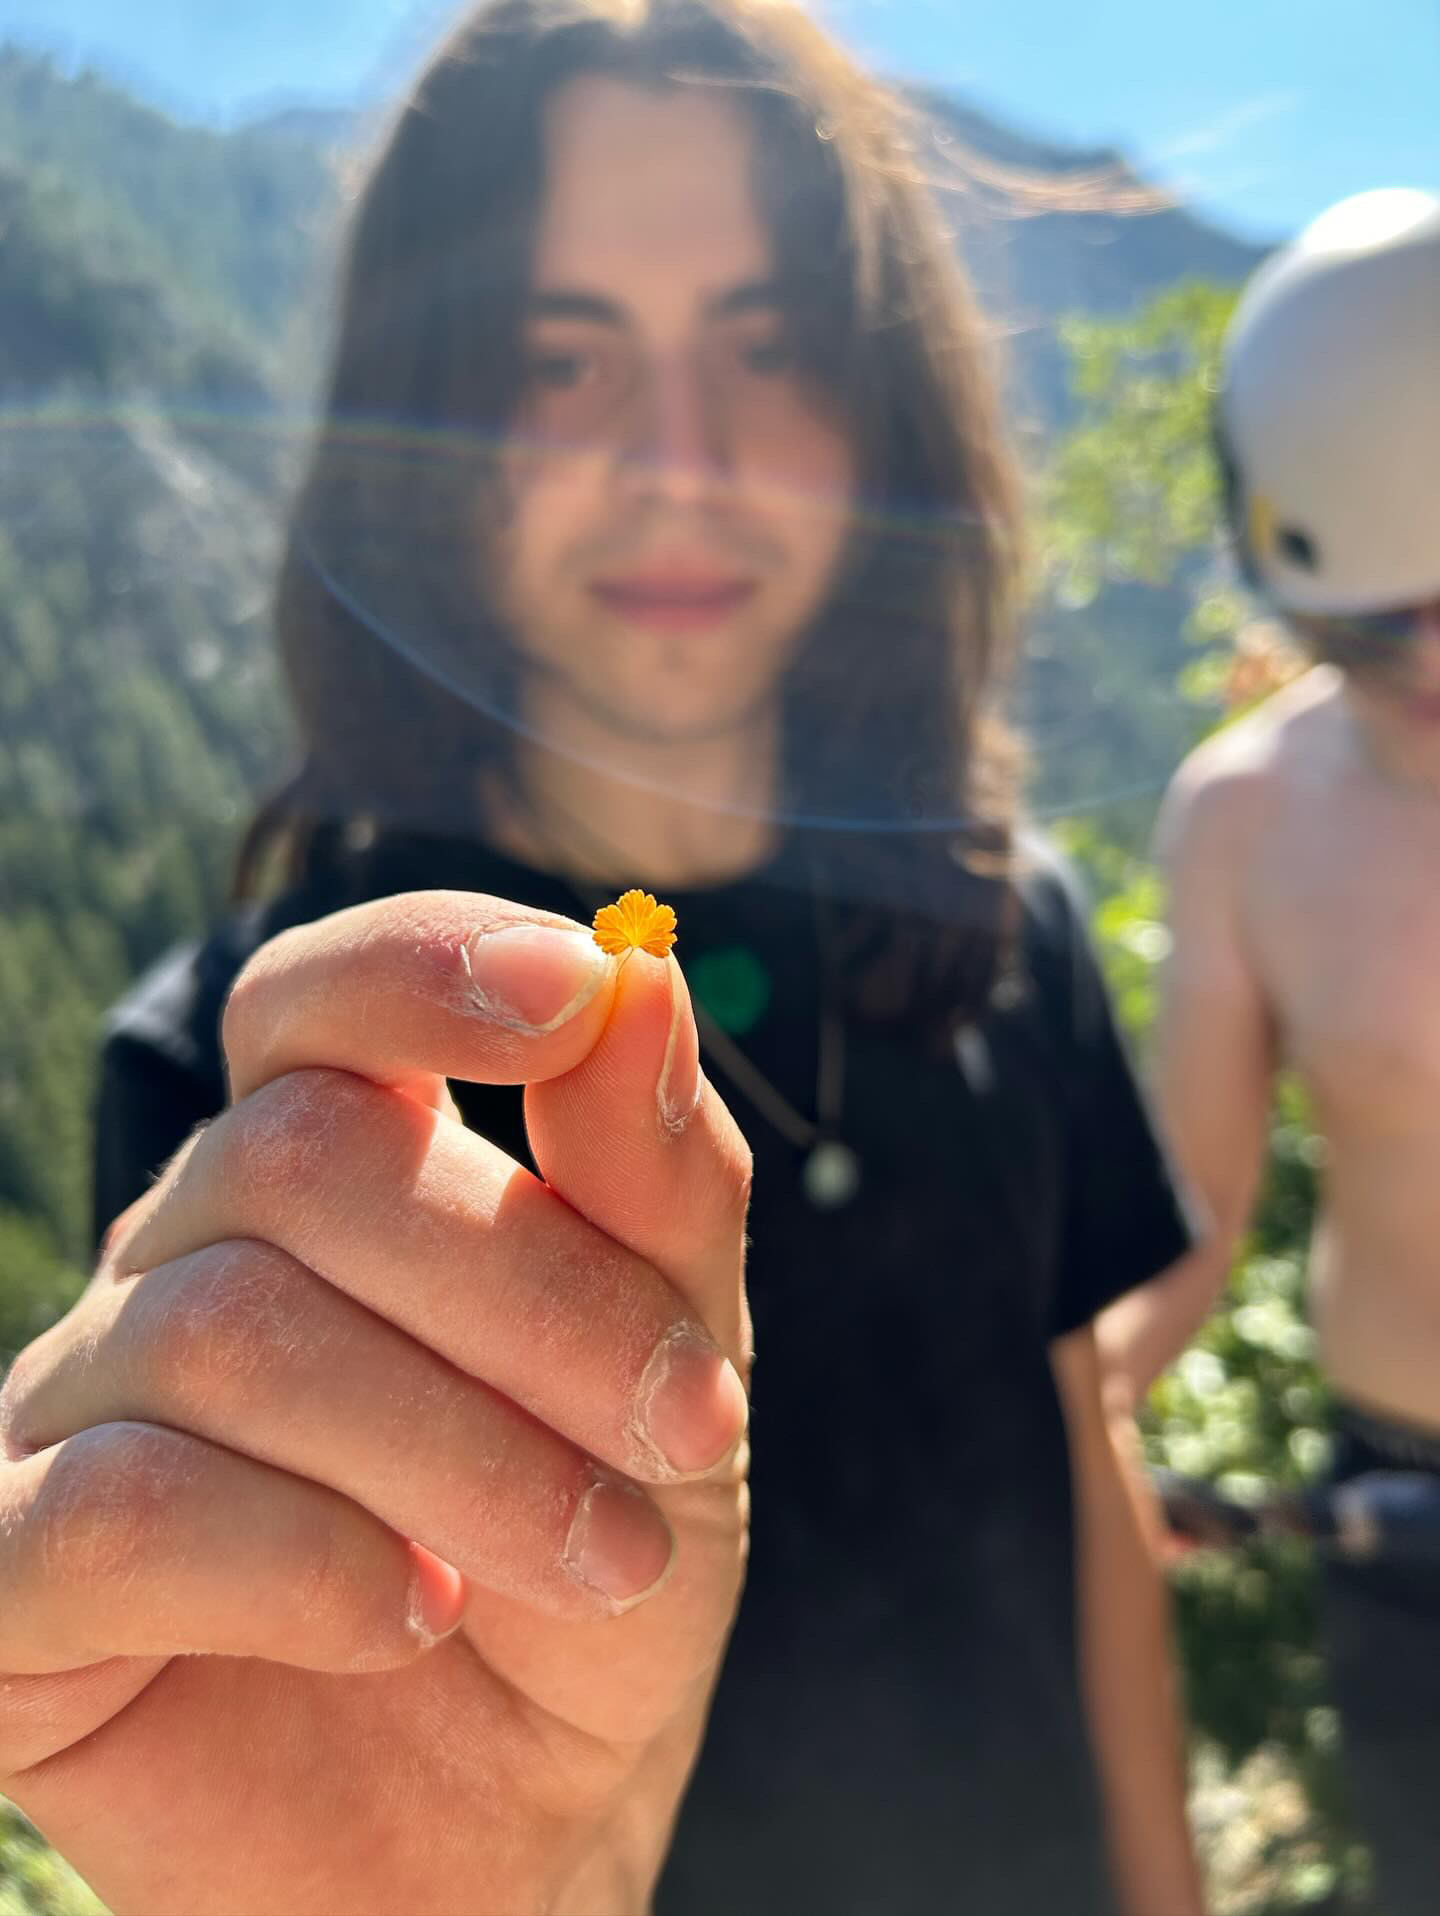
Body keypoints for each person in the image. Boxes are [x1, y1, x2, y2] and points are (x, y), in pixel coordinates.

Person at [0, 4, 1204, 1910]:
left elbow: (1085, 1468)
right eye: (562, 360)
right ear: (427, 435)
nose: (681, 460)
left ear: (882, 412)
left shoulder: (1004, 928)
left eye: (769, 349)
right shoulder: (277, 1091)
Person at [1098, 188, 1440, 1915]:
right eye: (1381, 631)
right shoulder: (1243, 817)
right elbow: (1195, 1207)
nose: (1436, 668)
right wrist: (1082, 1404)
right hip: (1401, 1504)